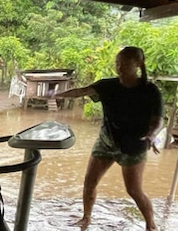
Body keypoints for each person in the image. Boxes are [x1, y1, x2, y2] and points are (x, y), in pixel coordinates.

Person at [54, 46, 162, 231]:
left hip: (133, 146)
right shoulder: (107, 86)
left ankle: (151, 226)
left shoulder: (150, 91)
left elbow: (157, 121)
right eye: (117, 63)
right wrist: (56, 95)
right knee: (89, 182)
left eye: (125, 64)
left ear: (138, 64)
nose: (119, 67)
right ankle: (86, 218)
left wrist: (152, 135)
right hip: (106, 141)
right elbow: (82, 91)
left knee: (134, 191)